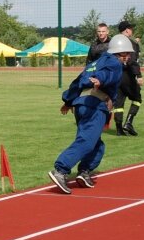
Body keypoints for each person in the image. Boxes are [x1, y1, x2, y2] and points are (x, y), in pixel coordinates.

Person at [48, 34, 134, 194]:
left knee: (97, 144)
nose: (128, 57)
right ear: (118, 53)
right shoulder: (115, 64)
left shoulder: (95, 63)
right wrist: (101, 81)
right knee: (87, 141)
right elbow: (108, 75)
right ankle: (60, 170)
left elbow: (78, 81)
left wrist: (68, 100)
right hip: (95, 106)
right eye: (126, 53)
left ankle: (84, 171)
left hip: (81, 105)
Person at [113, 21, 144, 136]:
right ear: (126, 30)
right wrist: (139, 76)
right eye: (131, 29)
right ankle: (129, 123)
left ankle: (119, 129)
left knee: (118, 104)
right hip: (127, 76)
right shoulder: (130, 43)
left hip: (116, 76)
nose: (132, 31)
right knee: (137, 98)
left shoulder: (114, 41)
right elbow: (132, 61)